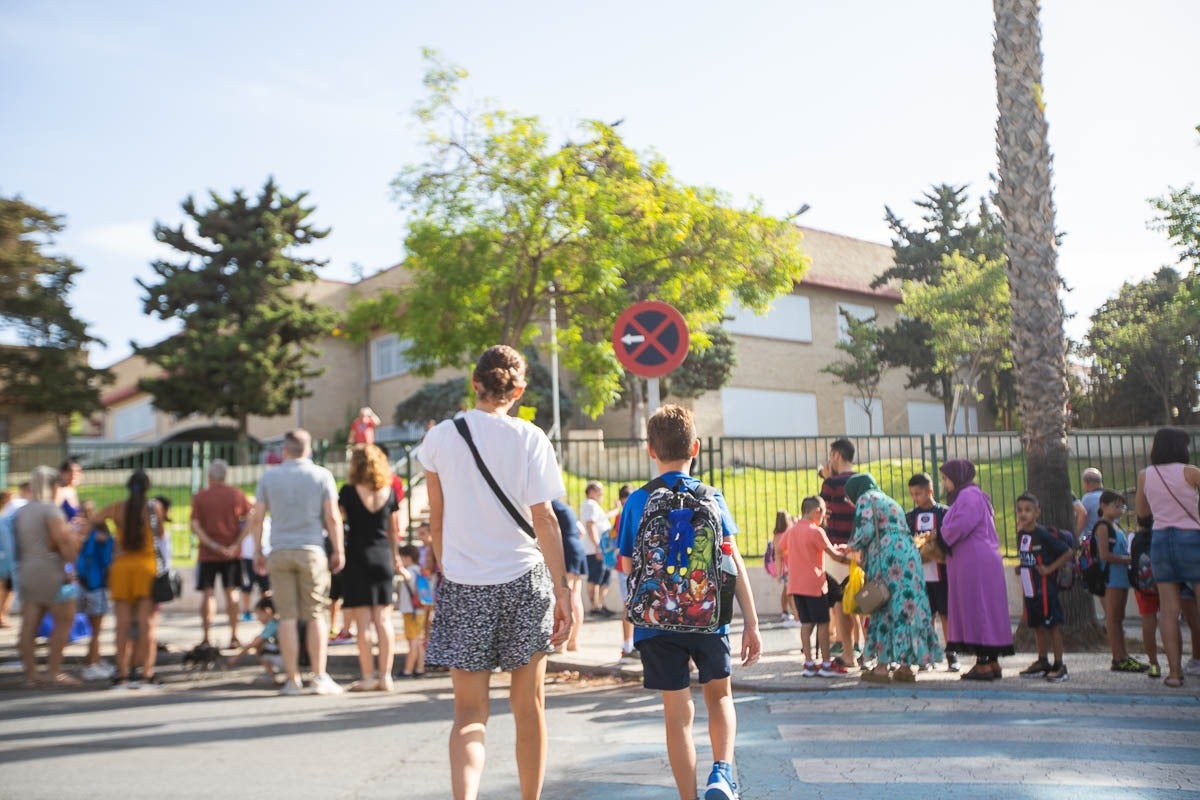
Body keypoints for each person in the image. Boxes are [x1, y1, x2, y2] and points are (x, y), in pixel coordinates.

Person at [419, 345, 572, 800]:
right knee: (529, 707)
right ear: (519, 390)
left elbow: (437, 520)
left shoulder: (440, 439)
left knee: (468, 714)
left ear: (475, 381)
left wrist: (452, 569)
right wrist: (563, 590)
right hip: (525, 581)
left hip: (466, 585)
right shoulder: (530, 438)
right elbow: (544, 519)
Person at [617, 404, 761, 800]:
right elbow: (732, 562)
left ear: (651, 450)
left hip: (655, 622)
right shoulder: (712, 497)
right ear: (695, 447)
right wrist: (751, 621)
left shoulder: (637, 502)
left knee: (678, 716)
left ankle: (688, 797)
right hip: (708, 616)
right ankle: (721, 772)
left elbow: (629, 566)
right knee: (720, 697)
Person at [247, 428, 345, 696]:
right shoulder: (321, 475)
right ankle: (319, 675)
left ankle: (292, 680)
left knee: (287, 616)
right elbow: (332, 516)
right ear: (309, 449)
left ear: (284, 450)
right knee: (315, 614)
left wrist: (257, 550)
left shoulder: (270, 476)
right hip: (311, 549)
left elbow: (257, 517)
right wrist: (338, 549)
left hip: (279, 549)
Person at [844, 474, 943, 684]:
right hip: (909, 556)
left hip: (888, 558)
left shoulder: (865, 498)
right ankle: (906, 668)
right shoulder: (889, 500)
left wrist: (849, 547)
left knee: (884, 606)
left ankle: (881, 667)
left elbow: (866, 530)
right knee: (906, 607)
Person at [1135, 427, 1200, 689]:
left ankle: (1174, 673)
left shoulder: (1145, 475)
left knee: (1168, 611)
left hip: (1160, 540)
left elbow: (1142, 513)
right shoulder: (1192, 472)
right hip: (1192, 538)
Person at [938, 459, 1014, 680]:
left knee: (977, 607)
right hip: (979, 560)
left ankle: (982, 663)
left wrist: (940, 537)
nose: (945, 484)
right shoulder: (975, 495)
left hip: (974, 563)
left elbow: (959, 525)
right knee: (986, 607)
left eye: (946, 478)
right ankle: (991, 662)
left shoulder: (968, 496)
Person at [95, 470, 168, 689]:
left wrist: (108, 534)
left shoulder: (117, 507)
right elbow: (161, 535)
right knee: (147, 624)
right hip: (146, 567)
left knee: (122, 625)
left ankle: (122, 673)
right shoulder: (154, 508)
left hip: (122, 567)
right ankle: (146, 672)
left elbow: (95, 519)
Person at [339, 443, 401, 692]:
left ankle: (367, 676)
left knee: (363, 623)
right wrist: (395, 557)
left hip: (357, 556)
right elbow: (394, 530)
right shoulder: (388, 492)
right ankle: (386, 677)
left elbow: (337, 521)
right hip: (383, 555)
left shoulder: (348, 492)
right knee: (383, 620)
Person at [15, 466, 80, 687]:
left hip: (27, 568)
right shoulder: (51, 511)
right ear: (53, 487)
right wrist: (72, 564)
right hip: (51, 568)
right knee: (64, 620)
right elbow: (62, 542)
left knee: (29, 623)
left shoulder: (23, 511)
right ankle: (54, 671)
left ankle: (31, 674)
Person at [780, 496, 849, 677]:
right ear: (817, 511)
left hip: (795, 585)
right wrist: (848, 557)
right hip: (814, 585)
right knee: (823, 624)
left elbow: (781, 548)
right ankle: (826, 664)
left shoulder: (792, 531)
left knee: (806, 624)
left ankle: (809, 663)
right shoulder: (816, 531)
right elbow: (833, 555)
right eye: (823, 514)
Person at [191, 459, 252, 649]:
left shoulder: (200, 496)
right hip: (232, 554)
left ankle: (206, 637)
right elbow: (252, 517)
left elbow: (195, 525)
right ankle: (234, 636)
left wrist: (213, 545)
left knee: (208, 595)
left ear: (209, 477)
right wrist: (236, 543)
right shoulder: (236, 495)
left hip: (208, 554)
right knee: (231, 593)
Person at [1013, 493, 1072, 683]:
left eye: (1028, 510)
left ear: (1037, 512)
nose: (1023, 514)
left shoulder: (1042, 534)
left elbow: (1068, 552)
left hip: (1045, 589)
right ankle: (1042, 660)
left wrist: (1049, 569)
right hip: (1030, 588)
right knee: (1037, 625)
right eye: (1020, 510)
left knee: (1052, 626)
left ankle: (1059, 664)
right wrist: (1021, 566)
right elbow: (1028, 557)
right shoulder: (1022, 534)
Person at [906, 473, 957, 671]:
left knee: (946, 614)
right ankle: (926, 654)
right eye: (912, 494)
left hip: (943, 573)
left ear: (930, 491)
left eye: (918, 493)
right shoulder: (910, 517)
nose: (915, 498)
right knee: (926, 615)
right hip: (920, 576)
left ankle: (952, 653)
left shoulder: (945, 513)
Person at [1093, 489, 1149, 673]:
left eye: (1122, 506)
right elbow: (1104, 554)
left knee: (1118, 618)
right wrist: (1128, 559)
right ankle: (1118, 657)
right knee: (1113, 619)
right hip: (1111, 578)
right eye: (1115, 506)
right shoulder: (1103, 526)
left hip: (1122, 578)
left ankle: (1123, 655)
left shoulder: (1117, 527)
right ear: (1103, 506)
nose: (1119, 509)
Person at [819, 438, 861, 665]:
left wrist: (827, 480)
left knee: (839, 605)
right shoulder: (861, 480)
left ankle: (848, 653)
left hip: (836, 550)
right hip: (859, 547)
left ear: (836, 455)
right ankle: (863, 646)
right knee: (862, 601)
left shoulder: (832, 483)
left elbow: (823, 513)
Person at [77, 501, 117, 681]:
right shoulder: (101, 536)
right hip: (95, 585)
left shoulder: (77, 534)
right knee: (96, 629)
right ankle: (91, 664)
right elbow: (108, 561)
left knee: (93, 628)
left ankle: (95, 659)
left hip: (81, 584)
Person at [551, 498, 587, 652]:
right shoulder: (567, 507)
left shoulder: (550, 505)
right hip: (578, 549)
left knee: (564, 596)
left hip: (566, 550)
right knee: (575, 598)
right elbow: (582, 531)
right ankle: (573, 641)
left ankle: (560, 645)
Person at [1129, 523, 1162, 679]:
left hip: (1144, 584)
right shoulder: (1164, 532)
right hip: (1165, 581)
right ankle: (1176, 666)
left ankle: (1154, 665)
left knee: (1148, 621)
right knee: (1170, 619)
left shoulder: (1138, 537)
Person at [230, 596, 283, 685]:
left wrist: (236, 657)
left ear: (267, 611)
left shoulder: (272, 624)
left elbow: (255, 643)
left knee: (260, 646)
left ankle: (271, 675)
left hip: (284, 658)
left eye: (258, 614)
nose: (258, 618)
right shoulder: (279, 622)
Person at [0, 482, 31, 629]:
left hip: (11, 553)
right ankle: (2, 615)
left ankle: (2, 615)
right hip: (9, 553)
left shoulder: (15, 507)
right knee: (6, 583)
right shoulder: (19, 505)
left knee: (8, 584)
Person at [581, 480, 614, 617]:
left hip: (601, 549)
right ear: (591, 491)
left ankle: (600, 604)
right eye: (599, 490)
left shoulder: (593, 506)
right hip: (595, 549)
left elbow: (601, 519)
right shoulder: (590, 505)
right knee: (596, 578)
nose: (602, 493)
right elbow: (591, 525)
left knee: (604, 578)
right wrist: (597, 547)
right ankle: (595, 606)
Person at [611, 484, 637, 659]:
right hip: (626, 567)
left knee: (631, 605)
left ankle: (630, 644)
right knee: (629, 605)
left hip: (627, 566)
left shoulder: (623, 515)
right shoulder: (625, 516)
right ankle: (628, 644)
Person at [395, 543, 427, 679]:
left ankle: (408, 670)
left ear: (407, 558)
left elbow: (405, 575)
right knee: (418, 641)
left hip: (412, 611)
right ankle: (420, 668)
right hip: (419, 610)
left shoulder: (412, 571)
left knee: (412, 641)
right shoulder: (420, 570)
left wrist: (398, 565)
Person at [239, 510, 271, 621]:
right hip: (248, 558)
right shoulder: (243, 524)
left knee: (266, 587)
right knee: (247, 587)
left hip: (264, 558)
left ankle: (266, 610)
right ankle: (246, 611)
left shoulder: (268, 522)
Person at [769, 509, 795, 625]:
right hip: (788, 566)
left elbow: (777, 554)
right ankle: (794, 613)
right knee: (789, 591)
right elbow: (779, 553)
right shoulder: (786, 534)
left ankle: (786, 611)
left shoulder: (777, 535)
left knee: (786, 590)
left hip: (785, 567)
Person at [1075, 467, 1104, 539]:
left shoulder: (1088, 498)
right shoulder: (1107, 496)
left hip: (1091, 539)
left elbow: (1080, 515)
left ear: (1087, 483)